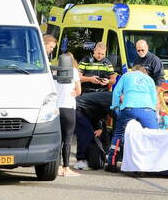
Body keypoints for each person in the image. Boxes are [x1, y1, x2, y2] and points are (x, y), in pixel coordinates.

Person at [73, 42, 116, 170]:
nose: (100, 56)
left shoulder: (107, 62)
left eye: (102, 54)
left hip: (102, 98)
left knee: (102, 129)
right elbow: (78, 77)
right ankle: (82, 158)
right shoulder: (86, 60)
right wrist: (90, 79)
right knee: (86, 129)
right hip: (86, 97)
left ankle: (102, 155)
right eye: (98, 53)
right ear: (94, 51)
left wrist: (108, 81)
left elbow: (113, 78)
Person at [106, 65, 158, 170]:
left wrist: (116, 107)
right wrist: (152, 112)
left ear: (133, 70)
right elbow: (154, 98)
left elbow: (116, 92)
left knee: (119, 134)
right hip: (147, 109)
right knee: (153, 136)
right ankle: (151, 165)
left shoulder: (126, 75)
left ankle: (112, 163)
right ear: (144, 72)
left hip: (129, 108)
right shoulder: (149, 79)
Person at [54, 51, 82, 177]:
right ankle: (66, 168)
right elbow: (79, 91)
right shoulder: (74, 71)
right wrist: (73, 94)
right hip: (68, 107)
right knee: (68, 139)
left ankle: (58, 166)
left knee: (58, 139)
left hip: (56, 108)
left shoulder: (54, 71)